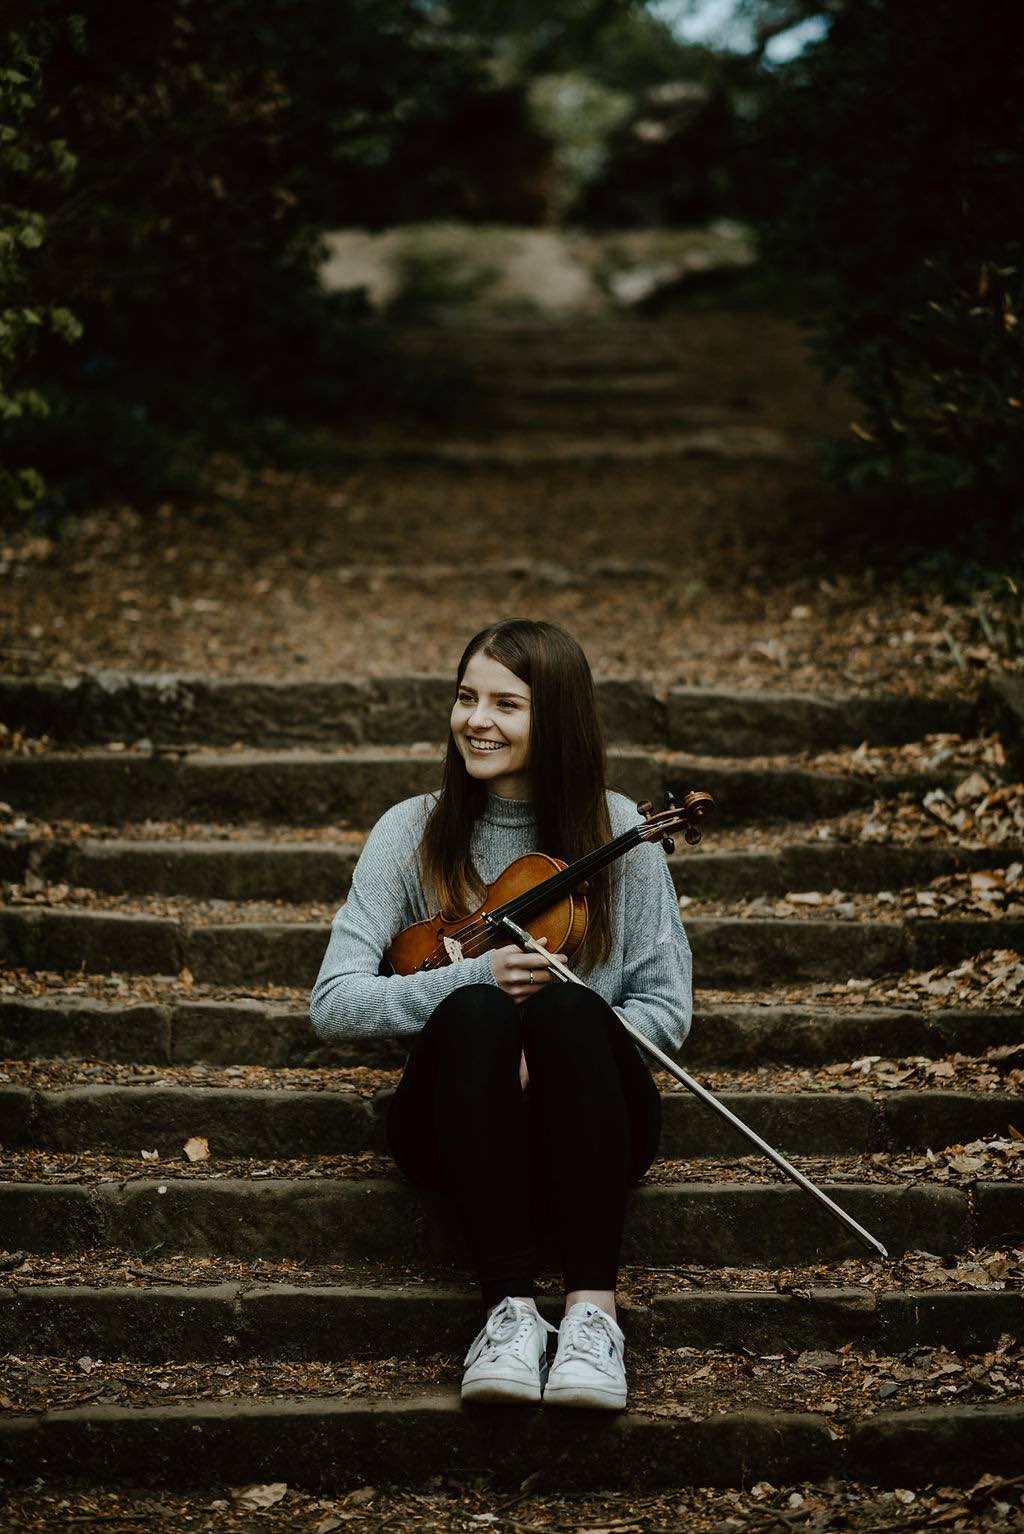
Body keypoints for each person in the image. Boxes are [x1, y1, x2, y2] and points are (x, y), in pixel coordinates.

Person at [309, 619, 693, 1410]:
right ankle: (509, 1314)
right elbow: (335, 1002)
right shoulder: (410, 831)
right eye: (465, 698)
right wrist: (466, 979)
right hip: (454, 1127)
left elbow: (666, 1006)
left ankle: (593, 1317)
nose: (476, 721)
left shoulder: (623, 830)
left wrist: (552, 1054)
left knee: (567, 1011)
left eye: (505, 704)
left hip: (591, 1123)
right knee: (481, 1008)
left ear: (554, 718)